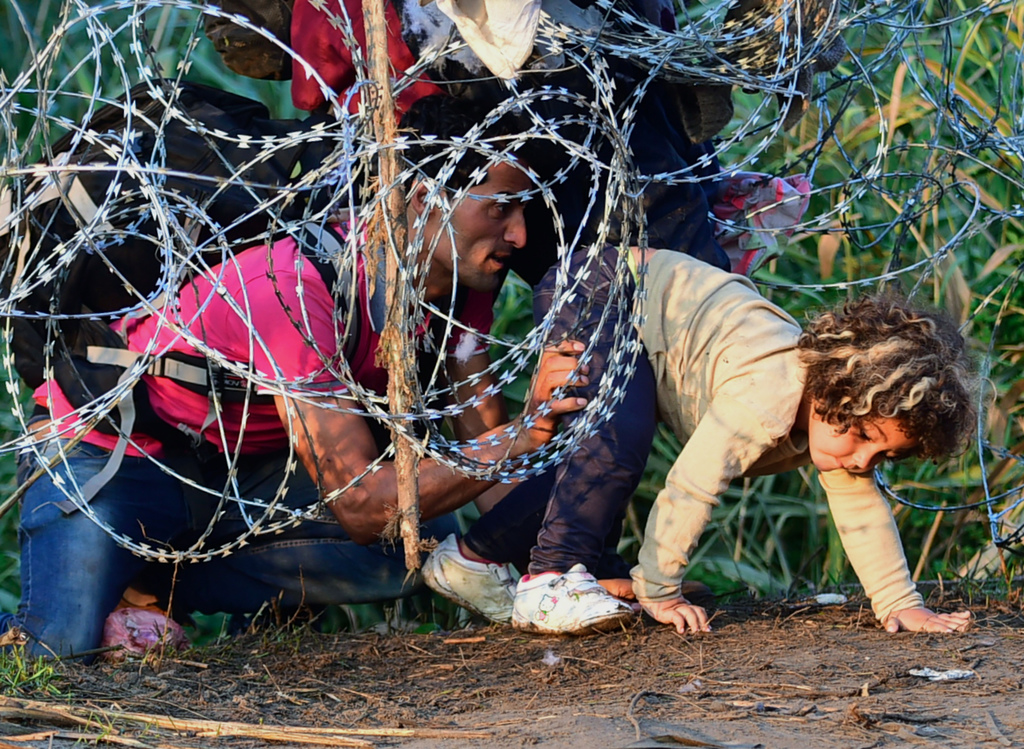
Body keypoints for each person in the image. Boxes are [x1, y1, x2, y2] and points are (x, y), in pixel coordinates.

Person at [0, 94, 588, 659]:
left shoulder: (455, 292)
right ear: (420, 198)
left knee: (423, 540)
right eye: (500, 206)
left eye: (525, 209)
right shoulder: (293, 288)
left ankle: (156, 582)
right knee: (59, 652)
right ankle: (101, 593)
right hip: (117, 454)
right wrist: (523, 433)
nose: (519, 235)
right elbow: (360, 503)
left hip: (238, 473)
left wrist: (574, 563)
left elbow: (486, 458)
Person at [424, 246, 978, 636]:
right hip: (603, 289)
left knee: (605, 449)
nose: (859, 459)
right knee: (616, 438)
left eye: (882, 454)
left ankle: (473, 560)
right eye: (859, 435)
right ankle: (550, 577)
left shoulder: (834, 418)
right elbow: (692, 486)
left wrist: (901, 604)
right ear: (835, 388)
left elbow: (862, 511)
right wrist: (659, 589)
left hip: (642, 317)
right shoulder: (771, 391)